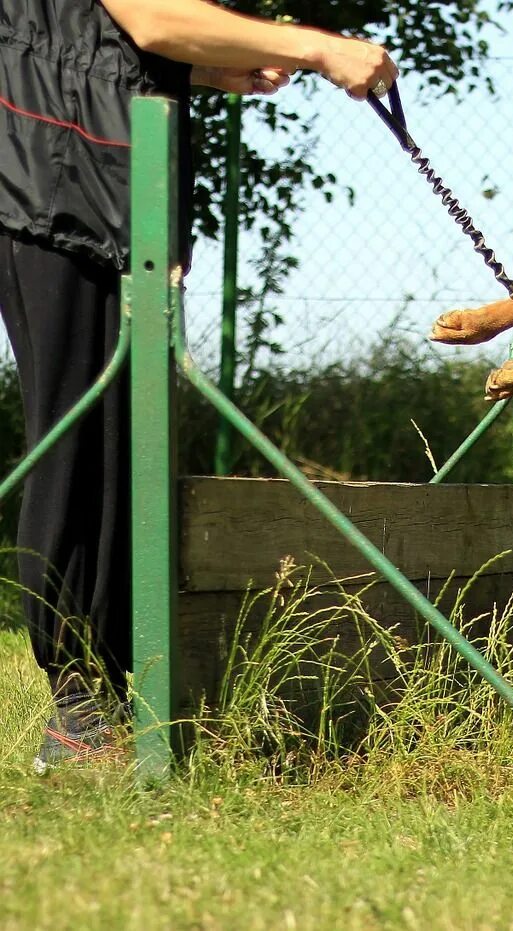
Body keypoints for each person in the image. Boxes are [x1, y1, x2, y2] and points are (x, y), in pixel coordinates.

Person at [0, 0, 398, 772]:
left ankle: (129, 696)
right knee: (77, 442)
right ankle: (79, 709)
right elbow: (151, 15)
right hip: (48, 176)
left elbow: (114, 37)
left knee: (124, 447)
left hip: (112, 176)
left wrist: (212, 66)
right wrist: (317, 48)